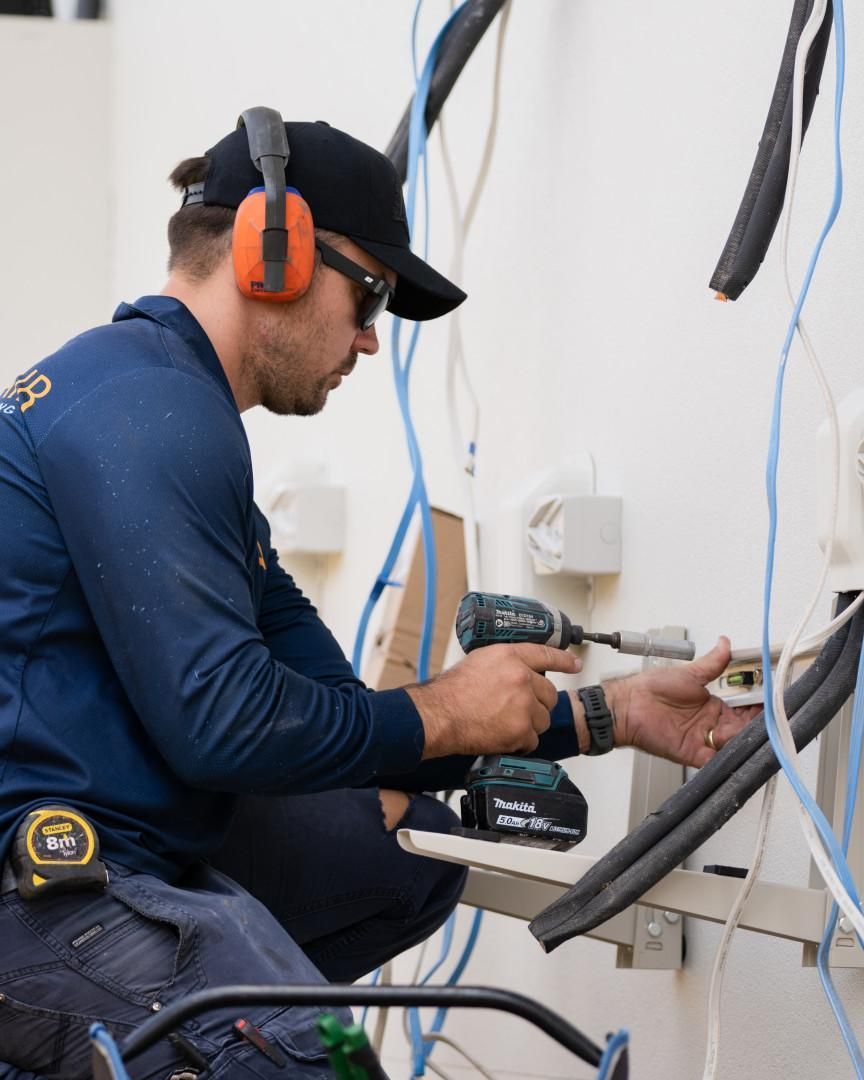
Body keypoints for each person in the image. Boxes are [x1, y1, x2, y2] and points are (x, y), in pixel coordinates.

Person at [0, 112, 752, 1079]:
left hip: (118, 853)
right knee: (321, 1060)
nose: (367, 339)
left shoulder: (161, 406)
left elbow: (342, 721)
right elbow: (226, 727)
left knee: (406, 850)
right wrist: (441, 709)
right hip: (41, 894)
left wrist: (609, 714)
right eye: (372, 294)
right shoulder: (144, 410)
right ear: (274, 251)